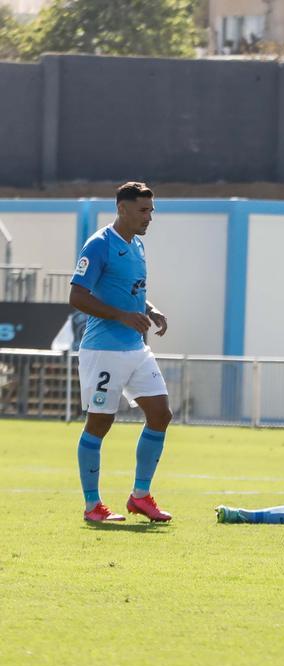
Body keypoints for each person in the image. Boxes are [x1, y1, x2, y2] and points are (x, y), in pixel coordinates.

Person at [69, 182, 173, 523]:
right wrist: (122, 316)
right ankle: (91, 505)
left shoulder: (138, 245)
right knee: (100, 422)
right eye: (143, 210)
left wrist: (150, 308)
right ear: (122, 209)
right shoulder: (99, 245)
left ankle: (140, 496)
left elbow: (130, 293)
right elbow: (78, 297)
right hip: (104, 351)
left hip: (135, 347)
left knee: (161, 413)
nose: (149, 217)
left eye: (151, 210)